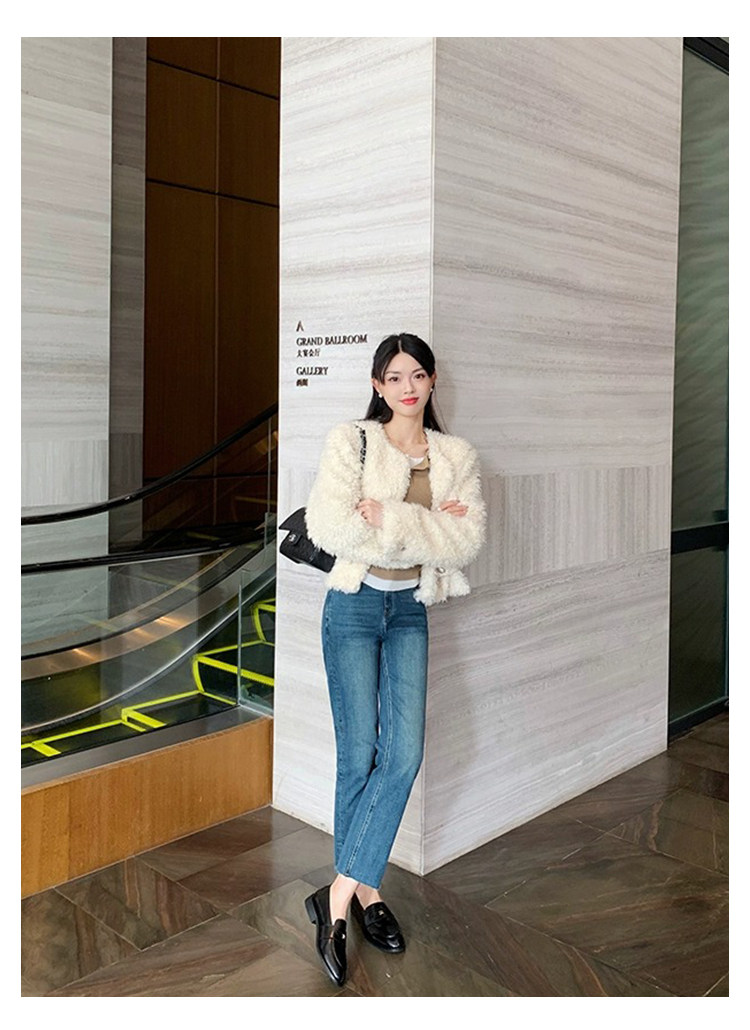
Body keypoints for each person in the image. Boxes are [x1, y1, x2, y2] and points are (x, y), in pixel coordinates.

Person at [303, 332, 486, 986]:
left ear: (432, 381)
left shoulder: (456, 456)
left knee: (402, 754)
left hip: (409, 611)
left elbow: (465, 543)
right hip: (353, 608)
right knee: (358, 756)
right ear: (378, 385)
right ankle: (368, 894)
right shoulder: (351, 441)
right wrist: (426, 525)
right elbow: (332, 527)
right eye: (395, 376)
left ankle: (336, 895)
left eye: (418, 375)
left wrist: (392, 518)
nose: (408, 387)